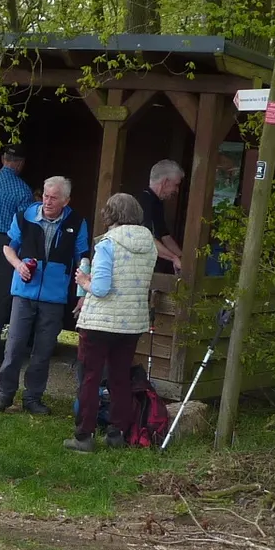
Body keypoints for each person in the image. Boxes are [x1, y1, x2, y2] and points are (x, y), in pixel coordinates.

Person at [67, 193, 157, 451]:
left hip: (100, 322)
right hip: (131, 322)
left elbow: (102, 287)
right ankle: (117, 433)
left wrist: (84, 281)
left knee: (91, 377)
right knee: (119, 377)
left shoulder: (107, 244)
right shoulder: (149, 244)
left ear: (111, 214)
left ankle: (84, 435)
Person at [0, 175, 88, 415]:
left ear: (65, 201)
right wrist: (18, 265)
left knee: (43, 350)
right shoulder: (24, 216)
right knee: (14, 346)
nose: (47, 201)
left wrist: (82, 293)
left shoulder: (77, 223)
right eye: (45, 196)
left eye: (54, 198)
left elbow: (83, 258)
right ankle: (4, 396)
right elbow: (8, 247)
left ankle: (32, 398)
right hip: (23, 293)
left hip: (54, 297)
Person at [138, 159, 185, 272]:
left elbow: (165, 235)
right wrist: (174, 258)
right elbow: (147, 240)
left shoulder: (157, 202)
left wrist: (182, 258)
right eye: (176, 185)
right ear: (165, 182)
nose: (177, 190)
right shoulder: (143, 202)